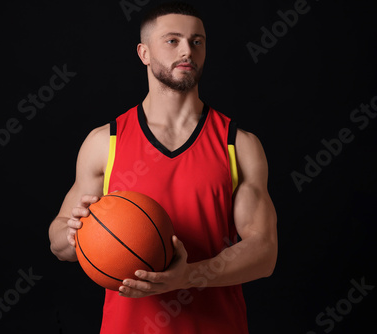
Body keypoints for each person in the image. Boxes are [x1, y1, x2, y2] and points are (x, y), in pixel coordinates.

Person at [48, 2, 277, 333]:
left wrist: (188, 276)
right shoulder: (105, 142)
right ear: (143, 53)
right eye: (172, 40)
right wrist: (75, 232)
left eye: (197, 41)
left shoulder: (238, 144)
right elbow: (58, 243)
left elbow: (264, 251)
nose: (187, 50)